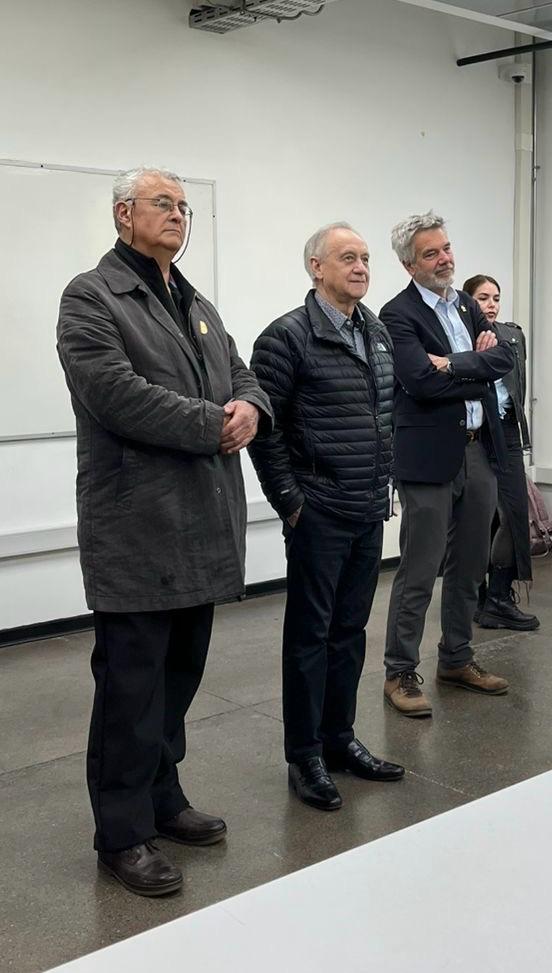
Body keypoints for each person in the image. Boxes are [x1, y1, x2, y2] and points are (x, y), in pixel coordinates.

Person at [57, 166, 272, 896]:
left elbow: (242, 374)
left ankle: (162, 795)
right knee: (131, 688)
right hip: (136, 528)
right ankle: (121, 833)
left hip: (202, 525)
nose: (178, 214)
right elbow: (115, 394)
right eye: (163, 203)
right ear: (124, 214)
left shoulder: (195, 301)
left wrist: (251, 408)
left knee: (178, 676)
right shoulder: (92, 296)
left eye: (184, 206)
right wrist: (214, 424)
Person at [249, 222, 405, 812]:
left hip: (367, 508)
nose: (361, 267)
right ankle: (305, 755)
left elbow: (383, 418)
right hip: (319, 513)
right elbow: (266, 432)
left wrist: (384, 485)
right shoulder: (286, 338)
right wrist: (292, 504)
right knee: (309, 638)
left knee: (350, 634)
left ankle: (340, 739)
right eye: (348, 258)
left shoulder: (376, 331)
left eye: (365, 258)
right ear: (317, 267)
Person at [380, 211, 515, 718]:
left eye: (447, 248)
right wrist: (476, 372)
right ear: (409, 264)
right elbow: (419, 381)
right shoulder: (397, 314)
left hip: (479, 450)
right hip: (428, 458)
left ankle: (456, 658)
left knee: (470, 565)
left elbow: (504, 359)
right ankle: (399, 671)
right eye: (431, 253)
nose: (444, 259)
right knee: (420, 568)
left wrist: (454, 364)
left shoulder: (465, 304)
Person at [463, 274, 539, 631]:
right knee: (474, 518)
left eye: (495, 297)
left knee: (513, 515)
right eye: (483, 298)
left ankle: (498, 597)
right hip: (472, 432)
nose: (491, 304)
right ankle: (476, 596)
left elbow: (517, 390)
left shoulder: (512, 335)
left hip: (506, 430)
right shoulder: (458, 336)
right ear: (468, 302)